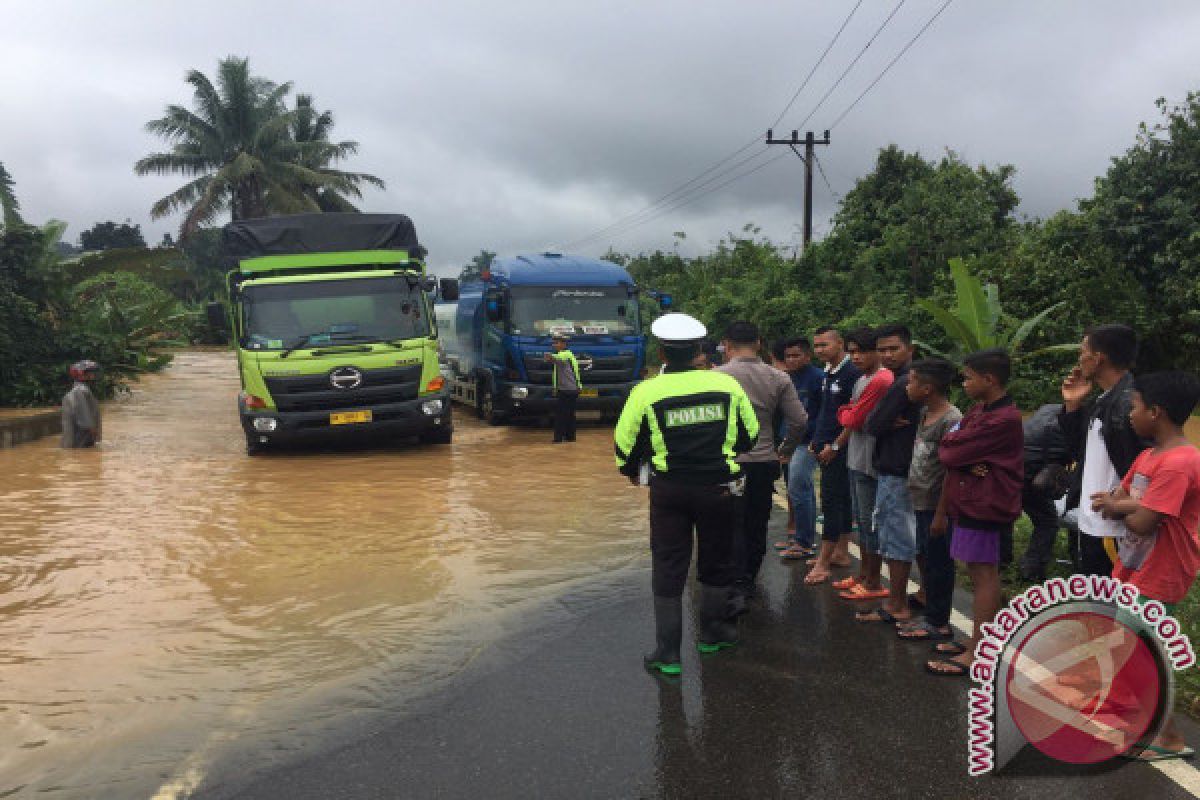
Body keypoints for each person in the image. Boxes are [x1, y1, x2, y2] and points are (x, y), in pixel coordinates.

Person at [614, 313, 759, 676]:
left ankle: (667, 652)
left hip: (669, 491)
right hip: (719, 488)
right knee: (717, 560)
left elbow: (624, 447)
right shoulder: (726, 386)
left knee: (668, 564)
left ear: (662, 354)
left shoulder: (645, 391)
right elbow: (749, 435)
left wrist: (633, 471)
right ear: (698, 351)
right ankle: (713, 633)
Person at [1090, 370, 1200, 761]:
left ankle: (1167, 736)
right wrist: (1128, 505)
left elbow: (1137, 519)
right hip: (1136, 565)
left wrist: (1121, 507)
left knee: (1143, 649)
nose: (1130, 414)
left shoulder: (1180, 462)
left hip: (1163, 569)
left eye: (1135, 406)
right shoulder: (1147, 455)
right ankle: (1137, 720)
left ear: (1156, 412)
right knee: (1128, 644)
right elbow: (1117, 497)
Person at [926, 349, 1023, 677]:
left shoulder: (1003, 418)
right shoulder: (981, 410)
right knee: (976, 571)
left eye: (968, 378)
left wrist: (959, 453)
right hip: (969, 500)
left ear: (989, 379)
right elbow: (949, 446)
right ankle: (976, 642)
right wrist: (962, 454)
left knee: (983, 575)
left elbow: (951, 452)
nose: (963, 384)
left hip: (986, 503)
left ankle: (977, 652)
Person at [717, 322, 807, 608]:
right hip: (763, 459)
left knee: (729, 523)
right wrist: (786, 450)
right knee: (756, 522)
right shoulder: (778, 378)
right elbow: (799, 420)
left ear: (727, 346)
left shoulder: (715, 377)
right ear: (759, 344)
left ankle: (730, 580)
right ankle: (748, 580)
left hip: (726, 461)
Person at [1060, 324, 1149, 575]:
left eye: (1083, 351)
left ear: (1098, 358)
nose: (1080, 358)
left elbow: (1149, 463)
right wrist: (1072, 407)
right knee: (1095, 606)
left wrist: (1123, 503)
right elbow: (1082, 454)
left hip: (1113, 529)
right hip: (1095, 523)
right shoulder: (1105, 400)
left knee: (1108, 607)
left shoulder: (1129, 405)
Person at [896, 358, 962, 643]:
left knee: (939, 562)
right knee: (924, 554)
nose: (907, 386)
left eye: (911, 381)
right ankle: (930, 611)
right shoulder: (924, 413)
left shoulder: (951, 419)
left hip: (936, 504)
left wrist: (941, 512)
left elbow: (951, 469)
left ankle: (939, 622)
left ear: (927, 388)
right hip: (919, 498)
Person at [859, 324, 922, 624]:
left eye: (893, 348)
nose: (887, 355)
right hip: (905, 467)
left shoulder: (902, 384)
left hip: (897, 469)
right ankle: (920, 595)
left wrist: (881, 420)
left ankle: (897, 604)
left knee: (896, 536)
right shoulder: (903, 380)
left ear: (910, 349)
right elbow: (874, 421)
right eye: (882, 349)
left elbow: (871, 424)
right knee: (911, 533)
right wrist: (879, 420)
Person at [831, 328, 893, 599]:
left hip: (870, 460)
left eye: (862, 351)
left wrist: (847, 412)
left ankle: (873, 582)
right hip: (856, 456)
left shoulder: (881, 380)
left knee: (870, 524)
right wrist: (848, 413)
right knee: (862, 521)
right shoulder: (863, 379)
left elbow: (853, 419)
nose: (856, 357)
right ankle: (864, 574)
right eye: (852, 351)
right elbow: (850, 415)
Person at [804, 327, 862, 585]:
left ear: (840, 344)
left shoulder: (852, 373)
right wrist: (816, 440)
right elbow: (827, 412)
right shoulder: (829, 372)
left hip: (840, 448)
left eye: (824, 345)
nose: (820, 350)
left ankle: (823, 562)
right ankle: (840, 552)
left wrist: (835, 446)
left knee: (831, 502)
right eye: (816, 346)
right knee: (840, 499)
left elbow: (854, 417)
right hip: (825, 444)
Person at [777, 337, 825, 559]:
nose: (792, 360)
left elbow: (822, 413)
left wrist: (815, 439)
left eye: (796, 355)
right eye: (788, 356)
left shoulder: (817, 378)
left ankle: (804, 542)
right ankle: (799, 537)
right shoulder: (785, 378)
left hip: (806, 442)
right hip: (787, 442)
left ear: (807, 356)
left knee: (799, 487)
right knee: (795, 488)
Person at [1018, 403, 1070, 582]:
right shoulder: (1070, 425)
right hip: (1032, 473)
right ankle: (1032, 568)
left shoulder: (1047, 409)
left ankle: (1002, 559)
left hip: (1014, 465)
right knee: (1047, 521)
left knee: (1006, 517)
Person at [545, 334, 581, 443]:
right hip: (572, 389)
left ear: (564, 344)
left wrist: (549, 356)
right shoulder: (569, 355)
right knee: (570, 414)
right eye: (554, 343)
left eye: (557, 343)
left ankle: (558, 438)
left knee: (561, 415)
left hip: (567, 390)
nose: (554, 345)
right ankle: (570, 437)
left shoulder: (565, 355)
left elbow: (558, 358)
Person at [61, 360, 102, 448]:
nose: (93, 375)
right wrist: (93, 430)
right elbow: (84, 414)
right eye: (90, 373)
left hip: (79, 435)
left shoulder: (80, 389)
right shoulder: (80, 390)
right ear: (82, 374)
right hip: (80, 437)